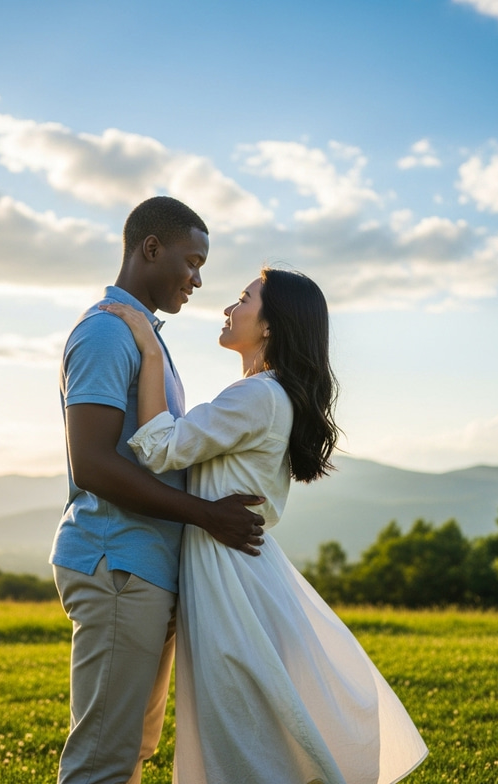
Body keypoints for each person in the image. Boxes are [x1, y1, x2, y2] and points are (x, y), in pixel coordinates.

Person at [102, 267, 429, 784]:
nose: (229, 307)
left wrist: (147, 350)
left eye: (243, 298)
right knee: (246, 730)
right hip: (238, 568)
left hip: (230, 577)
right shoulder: (266, 393)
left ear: (272, 325)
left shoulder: (258, 396)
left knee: (236, 735)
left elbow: (160, 448)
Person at [49, 196, 266, 784]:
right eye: (192, 261)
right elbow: (92, 464)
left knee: (132, 752)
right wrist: (205, 515)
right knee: (102, 761)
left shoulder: (143, 338)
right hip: (117, 562)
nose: (198, 280)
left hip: (145, 569)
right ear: (151, 249)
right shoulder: (104, 335)